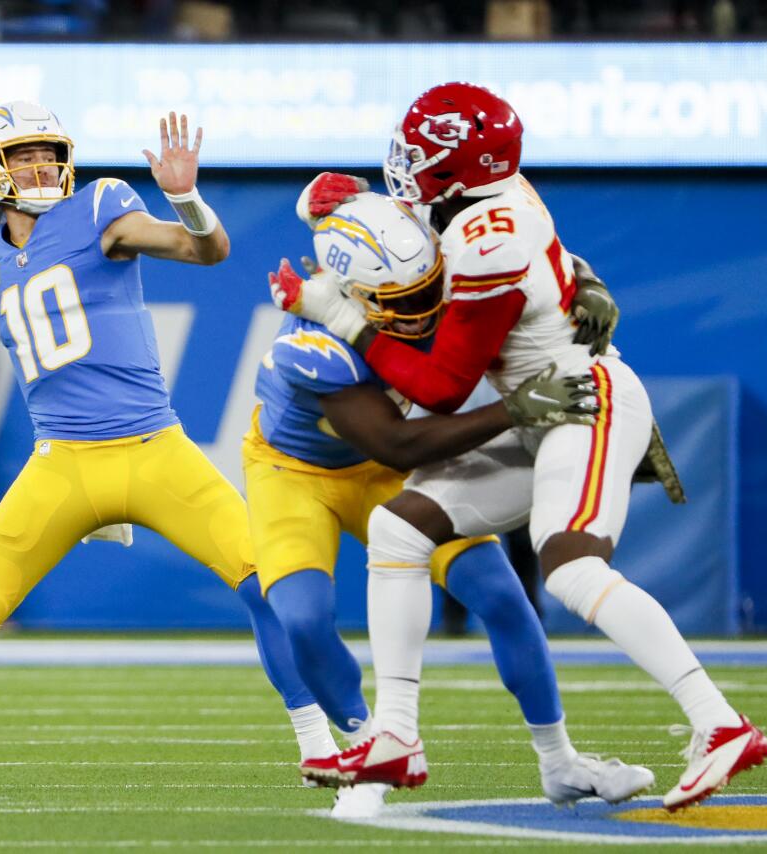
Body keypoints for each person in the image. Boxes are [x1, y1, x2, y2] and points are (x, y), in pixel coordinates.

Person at [272, 82, 767, 811]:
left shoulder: (484, 239)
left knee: (567, 565)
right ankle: (398, 737)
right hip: (539, 410)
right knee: (399, 528)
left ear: (463, 168)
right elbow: (342, 201)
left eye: (425, 153)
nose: (407, 165)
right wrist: (586, 276)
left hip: (581, 399)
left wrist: (341, 316)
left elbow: (442, 387)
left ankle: (720, 722)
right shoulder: (484, 196)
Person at [0, 102, 324, 786]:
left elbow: (205, 249)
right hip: (63, 464)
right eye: (23, 154)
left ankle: (318, 742)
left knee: (263, 581)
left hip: (153, 450)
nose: (41, 165)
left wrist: (186, 199)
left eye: (49, 152)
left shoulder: (101, 208)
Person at [251, 191, 652, 817]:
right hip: (298, 470)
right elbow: (401, 442)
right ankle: (371, 753)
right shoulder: (311, 347)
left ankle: (560, 762)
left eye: (427, 290)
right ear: (350, 295)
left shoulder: (411, 262)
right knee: (302, 618)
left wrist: (585, 280)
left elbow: (525, 253)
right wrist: (515, 408)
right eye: (402, 303)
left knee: (500, 595)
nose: (423, 310)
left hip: (384, 465)